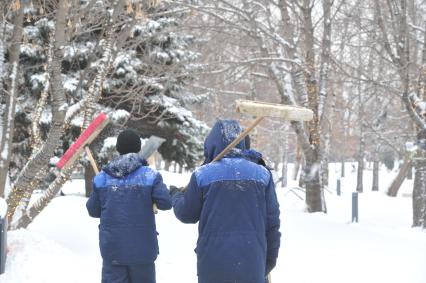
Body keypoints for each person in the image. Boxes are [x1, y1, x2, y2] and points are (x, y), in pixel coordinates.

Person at [170, 119, 281, 283]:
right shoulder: (262, 175)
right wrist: (269, 260)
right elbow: (272, 223)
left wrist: (176, 195)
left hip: (212, 264)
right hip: (252, 262)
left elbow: (187, 214)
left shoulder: (203, 175)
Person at [86, 129, 172, 283]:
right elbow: (166, 203)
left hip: (113, 251)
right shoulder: (150, 176)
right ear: (139, 148)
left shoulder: (102, 179)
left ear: (118, 149)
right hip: (142, 251)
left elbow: (93, 210)